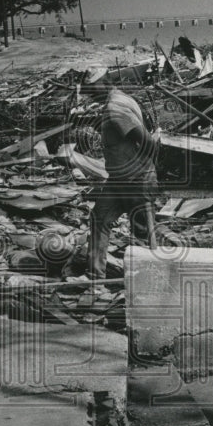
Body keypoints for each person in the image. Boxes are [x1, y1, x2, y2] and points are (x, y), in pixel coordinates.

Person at [72, 83, 159, 289]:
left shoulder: (115, 108)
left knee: (143, 231)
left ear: (104, 86)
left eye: (93, 91)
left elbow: (148, 141)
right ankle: (95, 279)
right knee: (99, 218)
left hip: (136, 180)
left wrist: (144, 172)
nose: (92, 96)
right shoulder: (120, 99)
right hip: (118, 180)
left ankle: (150, 284)